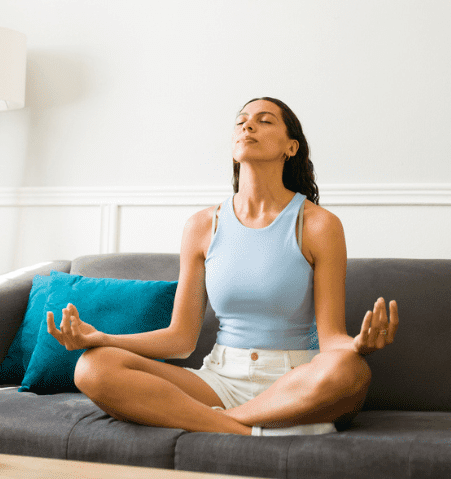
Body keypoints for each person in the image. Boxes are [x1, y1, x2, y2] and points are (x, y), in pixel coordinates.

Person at [46, 97, 398, 435]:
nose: (248, 127)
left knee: (349, 370)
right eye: (241, 122)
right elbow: (180, 340)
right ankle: (251, 430)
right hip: (219, 379)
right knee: (94, 366)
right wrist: (102, 338)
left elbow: (331, 338)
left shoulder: (319, 225)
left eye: (264, 120)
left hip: (295, 379)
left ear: (291, 147)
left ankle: (218, 421)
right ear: (233, 147)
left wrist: (357, 347)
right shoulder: (202, 225)